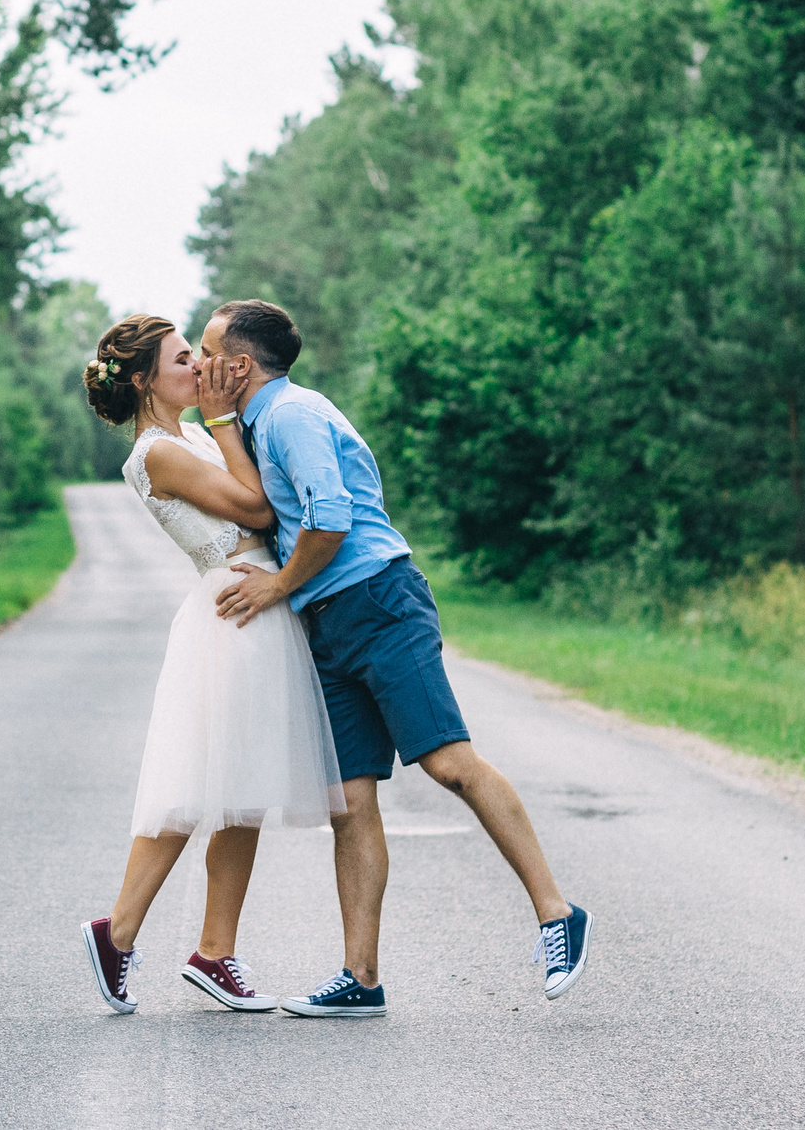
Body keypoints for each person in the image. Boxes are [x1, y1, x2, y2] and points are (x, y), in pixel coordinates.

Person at [201, 298, 592, 1018]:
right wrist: (222, 426)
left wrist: (277, 588)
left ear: (240, 365)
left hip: (378, 601)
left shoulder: (291, 417)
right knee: (349, 803)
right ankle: (361, 976)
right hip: (327, 619)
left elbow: (330, 517)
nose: (196, 366)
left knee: (448, 762)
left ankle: (556, 911)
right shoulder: (262, 421)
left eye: (206, 351)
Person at [79, 314, 346, 1016]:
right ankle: (125, 931)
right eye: (180, 360)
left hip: (254, 606)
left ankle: (208, 951)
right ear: (143, 382)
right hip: (232, 609)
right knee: (199, 786)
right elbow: (256, 506)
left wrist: (224, 419)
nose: (197, 368)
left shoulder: (188, 434)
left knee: (238, 786)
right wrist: (227, 417)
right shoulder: (159, 451)